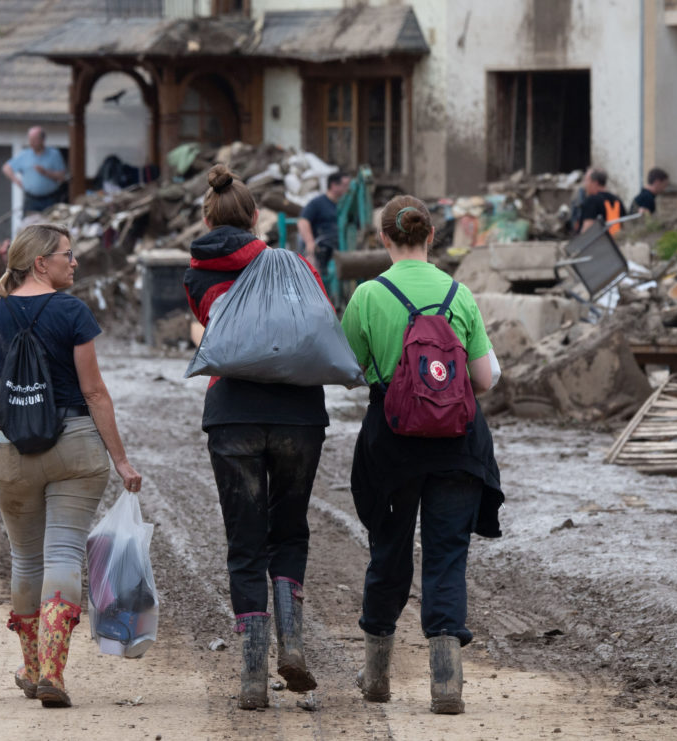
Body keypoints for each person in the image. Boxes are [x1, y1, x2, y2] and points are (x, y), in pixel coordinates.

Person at [0, 223, 141, 708]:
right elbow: (94, 392)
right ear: (41, 262)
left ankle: (32, 668)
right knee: (63, 555)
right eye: (67, 255)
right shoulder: (72, 311)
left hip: (13, 451)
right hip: (76, 446)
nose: (74, 262)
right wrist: (121, 460)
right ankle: (53, 672)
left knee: (26, 560)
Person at [341, 195, 504, 715]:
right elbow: (485, 380)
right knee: (446, 556)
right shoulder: (460, 294)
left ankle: (376, 677)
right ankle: (446, 684)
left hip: (392, 446)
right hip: (458, 443)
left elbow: (349, 371)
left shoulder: (368, 295)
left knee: (388, 553)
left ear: (383, 239)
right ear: (432, 236)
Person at [184, 164, 330, 710]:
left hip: (233, 417)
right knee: (288, 531)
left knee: (245, 541)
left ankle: (251, 677)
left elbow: (214, 333)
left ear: (207, 219)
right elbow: (319, 323)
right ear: (256, 217)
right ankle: (292, 643)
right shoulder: (295, 266)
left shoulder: (197, 276)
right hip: (299, 416)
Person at [297, 171, 351, 282]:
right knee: (311, 261)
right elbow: (303, 222)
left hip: (343, 245)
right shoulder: (317, 203)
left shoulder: (346, 206)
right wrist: (310, 242)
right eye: (345, 185)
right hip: (322, 245)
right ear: (334, 185)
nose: (348, 188)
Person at [2, 127, 67, 215]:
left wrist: (46, 172)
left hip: (50, 198)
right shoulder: (25, 155)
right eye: (30, 139)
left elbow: (62, 177)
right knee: (30, 222)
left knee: (51, 222)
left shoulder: (54, 154)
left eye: (34, 139)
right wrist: (17, 181)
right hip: (31, 199)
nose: (31, 142)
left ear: (42, 139)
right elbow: (6, 168)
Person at [573, 168, 626, 234]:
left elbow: (586, 232)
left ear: (595, 183)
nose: (585, 185)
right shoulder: (618, 200)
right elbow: (624, 227)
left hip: (600, 240)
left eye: (587, 181)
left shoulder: (592, 201)